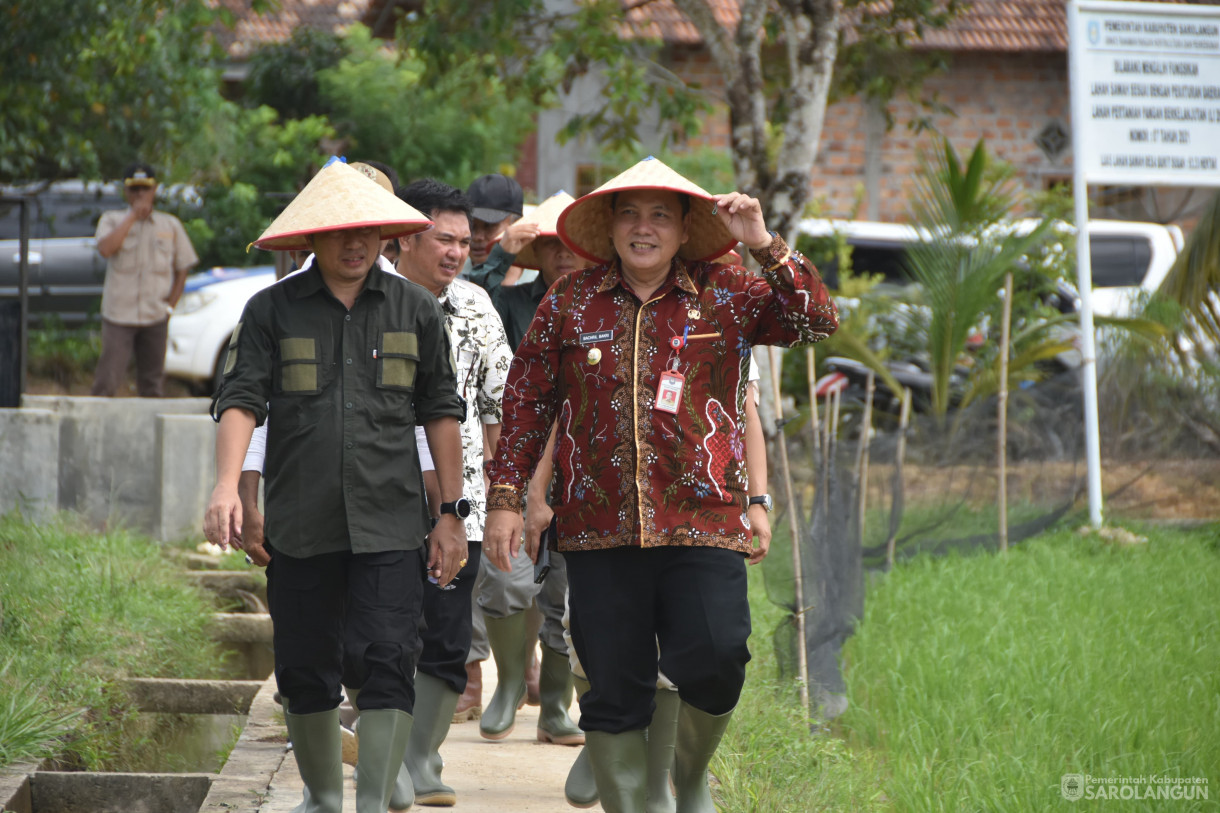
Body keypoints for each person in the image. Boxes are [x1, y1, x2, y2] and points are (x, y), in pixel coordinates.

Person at [483, 156, 838, 813]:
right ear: (611, 225)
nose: (642, 229)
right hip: (597, 526)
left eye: (659, 216)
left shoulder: (729, 290)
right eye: (629, 214)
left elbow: (817, 320)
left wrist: (763, 243)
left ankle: (688, 772)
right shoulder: (571, 298)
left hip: (704, 519)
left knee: (718, 654)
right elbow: (527, 400)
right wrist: (507, 500)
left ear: (682, 230)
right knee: (613, 685)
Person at [203, 160, 469, 813]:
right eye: (341, 232)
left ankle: (373, 800)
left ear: (388, 236)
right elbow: (241, 399)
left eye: (370, 231)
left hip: (391, 520)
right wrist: (228, 488)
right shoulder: (270, 311)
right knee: (303, 664)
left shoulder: (416, 309)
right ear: (311, 237)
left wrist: (452, 513)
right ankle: (324, 797)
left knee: (386, 655)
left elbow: (441, 411)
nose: (356, 245)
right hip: (301, 521)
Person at [387, 178, 513, 808]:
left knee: (446, 633)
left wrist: (507, 501)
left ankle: (422, 758)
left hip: (458, 502)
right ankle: (388, 755)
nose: (459, 252)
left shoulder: (476, 307)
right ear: (407, 235)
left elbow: (499, 408)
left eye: (466, 242)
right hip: (379, 498)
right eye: (445, 238)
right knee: (385, 633)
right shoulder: (371, 300)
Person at [91, 162, 198, 397]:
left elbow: (183, 266)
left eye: (145, 189)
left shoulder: (169, 225)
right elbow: (106, 249)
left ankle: (150, 431)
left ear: (154, 190)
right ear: (126, 191)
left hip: (155, 314)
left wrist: (170, 305)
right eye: (134, 189)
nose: (140, 194)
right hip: (119, 314)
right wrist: (132, 217)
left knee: (152, 383)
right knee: (107, 379)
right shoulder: (111, 219)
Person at [462, 173, 538, 291]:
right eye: (471, 226)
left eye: (489, 226)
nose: (477, 237)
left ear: (516, 225)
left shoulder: (540, 281)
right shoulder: (451, 278)